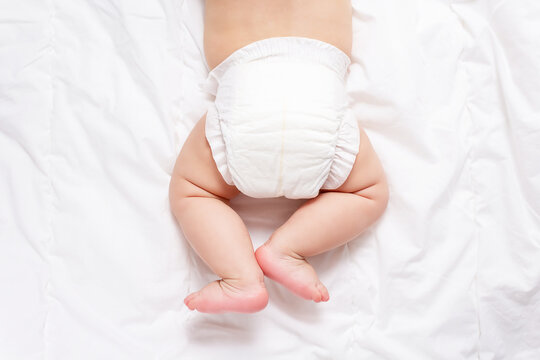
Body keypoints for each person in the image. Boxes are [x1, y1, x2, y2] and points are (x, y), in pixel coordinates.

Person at [169, 0, 388, 313]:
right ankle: (286, 249)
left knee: (192, 191)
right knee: (370, 193)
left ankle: (240, 277)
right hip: (318, 95)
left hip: (246, 94)